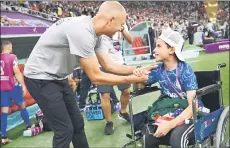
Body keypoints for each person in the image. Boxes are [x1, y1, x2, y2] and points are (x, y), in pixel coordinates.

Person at [23, 1, 155, 148]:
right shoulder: (82, 31)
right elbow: (96, 76)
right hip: (40, 78)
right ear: (111, 20)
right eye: (121, 24)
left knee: (78, 124)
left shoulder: (96, 35)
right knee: (65, 130)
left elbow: (108, 65)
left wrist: (139, 68)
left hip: (57, 78)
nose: (121, 29)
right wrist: (132, 78)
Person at [143, 27, 204, 148]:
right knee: (149, 134)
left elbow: (193, 106)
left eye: (159, 46)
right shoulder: (158, 69)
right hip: (170, 110)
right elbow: (140, 84)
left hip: (190, 113)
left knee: (177, 137)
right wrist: (143, 71)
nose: (154, 50)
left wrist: (170, 125)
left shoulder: (185, 70)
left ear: (171, 49)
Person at [97, 24, 133, 135]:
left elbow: (130, 40)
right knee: (105, 95)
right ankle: (109, 122)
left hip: (120, 64)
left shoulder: (122, 25)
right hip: (104, 65)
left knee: (126, 91)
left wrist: (121, 29)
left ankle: (123, 111)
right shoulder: (101, 26)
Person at [0, 40, 34, 145]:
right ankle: (28, 125)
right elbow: (17, 72)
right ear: (9, 47)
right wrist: (23, 85)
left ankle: (4, 137)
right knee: (22, 105)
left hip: (2, 88)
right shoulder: (12, 57)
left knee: (4, 111)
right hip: (12, 86)